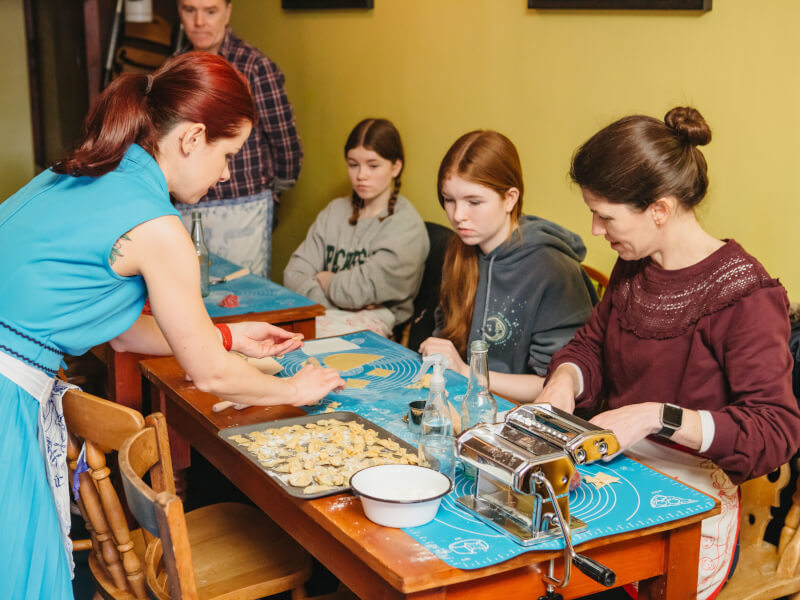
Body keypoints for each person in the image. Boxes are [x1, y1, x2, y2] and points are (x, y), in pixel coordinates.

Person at [0, 52, 343, 599]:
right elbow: (211, 376)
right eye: (227, 154)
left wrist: (226, 335)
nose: (227, 172)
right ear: (192, 138)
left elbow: (123, 332)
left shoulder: (88, 171)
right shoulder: (158, 227)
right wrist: (293, 388)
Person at [537, 106, 800, 599]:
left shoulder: (745, 295)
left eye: (605, 215)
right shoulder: (634, 264)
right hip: (619, 470)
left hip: (691, 498)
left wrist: (657, 417)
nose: (596, 229)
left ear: (659, 209)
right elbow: (590, 344)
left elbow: (776, 429)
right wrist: (563, 383)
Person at [419, 130, 596, 404]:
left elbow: (555, 386)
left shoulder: (553, 269)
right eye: (449, 200)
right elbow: (447, 336)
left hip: (527, 415)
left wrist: (469, 372)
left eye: (474, 202)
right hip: (467, 400)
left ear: (510, 198)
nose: (457, 216)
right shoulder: (460, 249)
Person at [175, 0, 303, 278]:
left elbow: (286, 144)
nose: (199, 22)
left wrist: (271, 191)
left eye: (210, 11)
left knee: (243, 299)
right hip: (185, 210)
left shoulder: (256, 68)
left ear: (228, 11)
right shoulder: (174, 68)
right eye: (189, 10)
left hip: (244, 208)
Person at [283, 118, 429, 338]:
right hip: (321, 316)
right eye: (353, 164)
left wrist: (326, 279)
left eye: (373, 165)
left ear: (395, 167)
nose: (361, 175)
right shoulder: (334, 211)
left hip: (377, 334)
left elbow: (356, 290)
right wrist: (340, 302)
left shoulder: (407, 227)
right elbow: (293, 274)